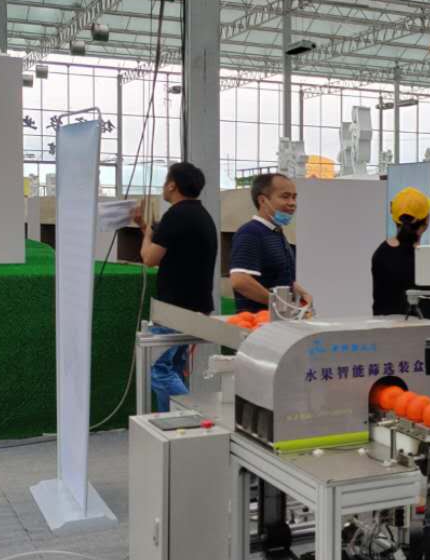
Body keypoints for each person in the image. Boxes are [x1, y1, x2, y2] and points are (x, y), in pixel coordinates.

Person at [132, 162, 219, 411]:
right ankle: (174, 421)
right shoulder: (201, 215)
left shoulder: (176, 215)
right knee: (175, 368)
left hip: (175, 310)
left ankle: (192, 414)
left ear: (172, 185)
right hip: (195, 308)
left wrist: (146, 234)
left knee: (159, 370)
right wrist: (145, 228)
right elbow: (172, 252)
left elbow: (150, 258)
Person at [229, 173, 312, 314]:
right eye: (285, 197)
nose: (292, 203)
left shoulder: (276, 233)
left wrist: (303, 293)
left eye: (294, 197)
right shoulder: (250, 232)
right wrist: (278, 303)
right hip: (257, 322)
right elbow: (240, 280)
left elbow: (280, 277)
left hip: (278, 320)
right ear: (262, 200)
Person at [371, 188, 430, 318]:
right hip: (423, 328)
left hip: (385, 328)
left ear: (395, 219)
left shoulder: (381, 253)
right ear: (426, 220)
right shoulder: (426, 258)